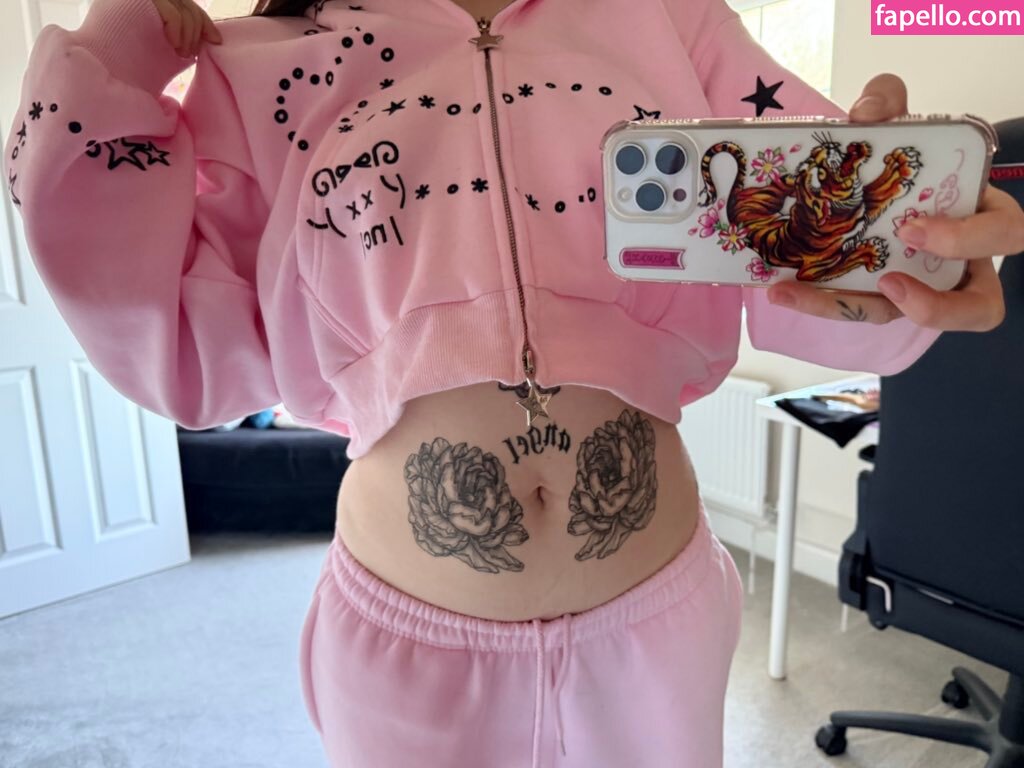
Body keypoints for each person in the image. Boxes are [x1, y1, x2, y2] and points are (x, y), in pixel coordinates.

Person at [5, 0, 1021, 765]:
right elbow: (174, 346)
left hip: (654, 630)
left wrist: (910, 265)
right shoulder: (270, 62)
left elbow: (820, 288)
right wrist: (119, 51)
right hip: (409, 650)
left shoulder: (670, 18)